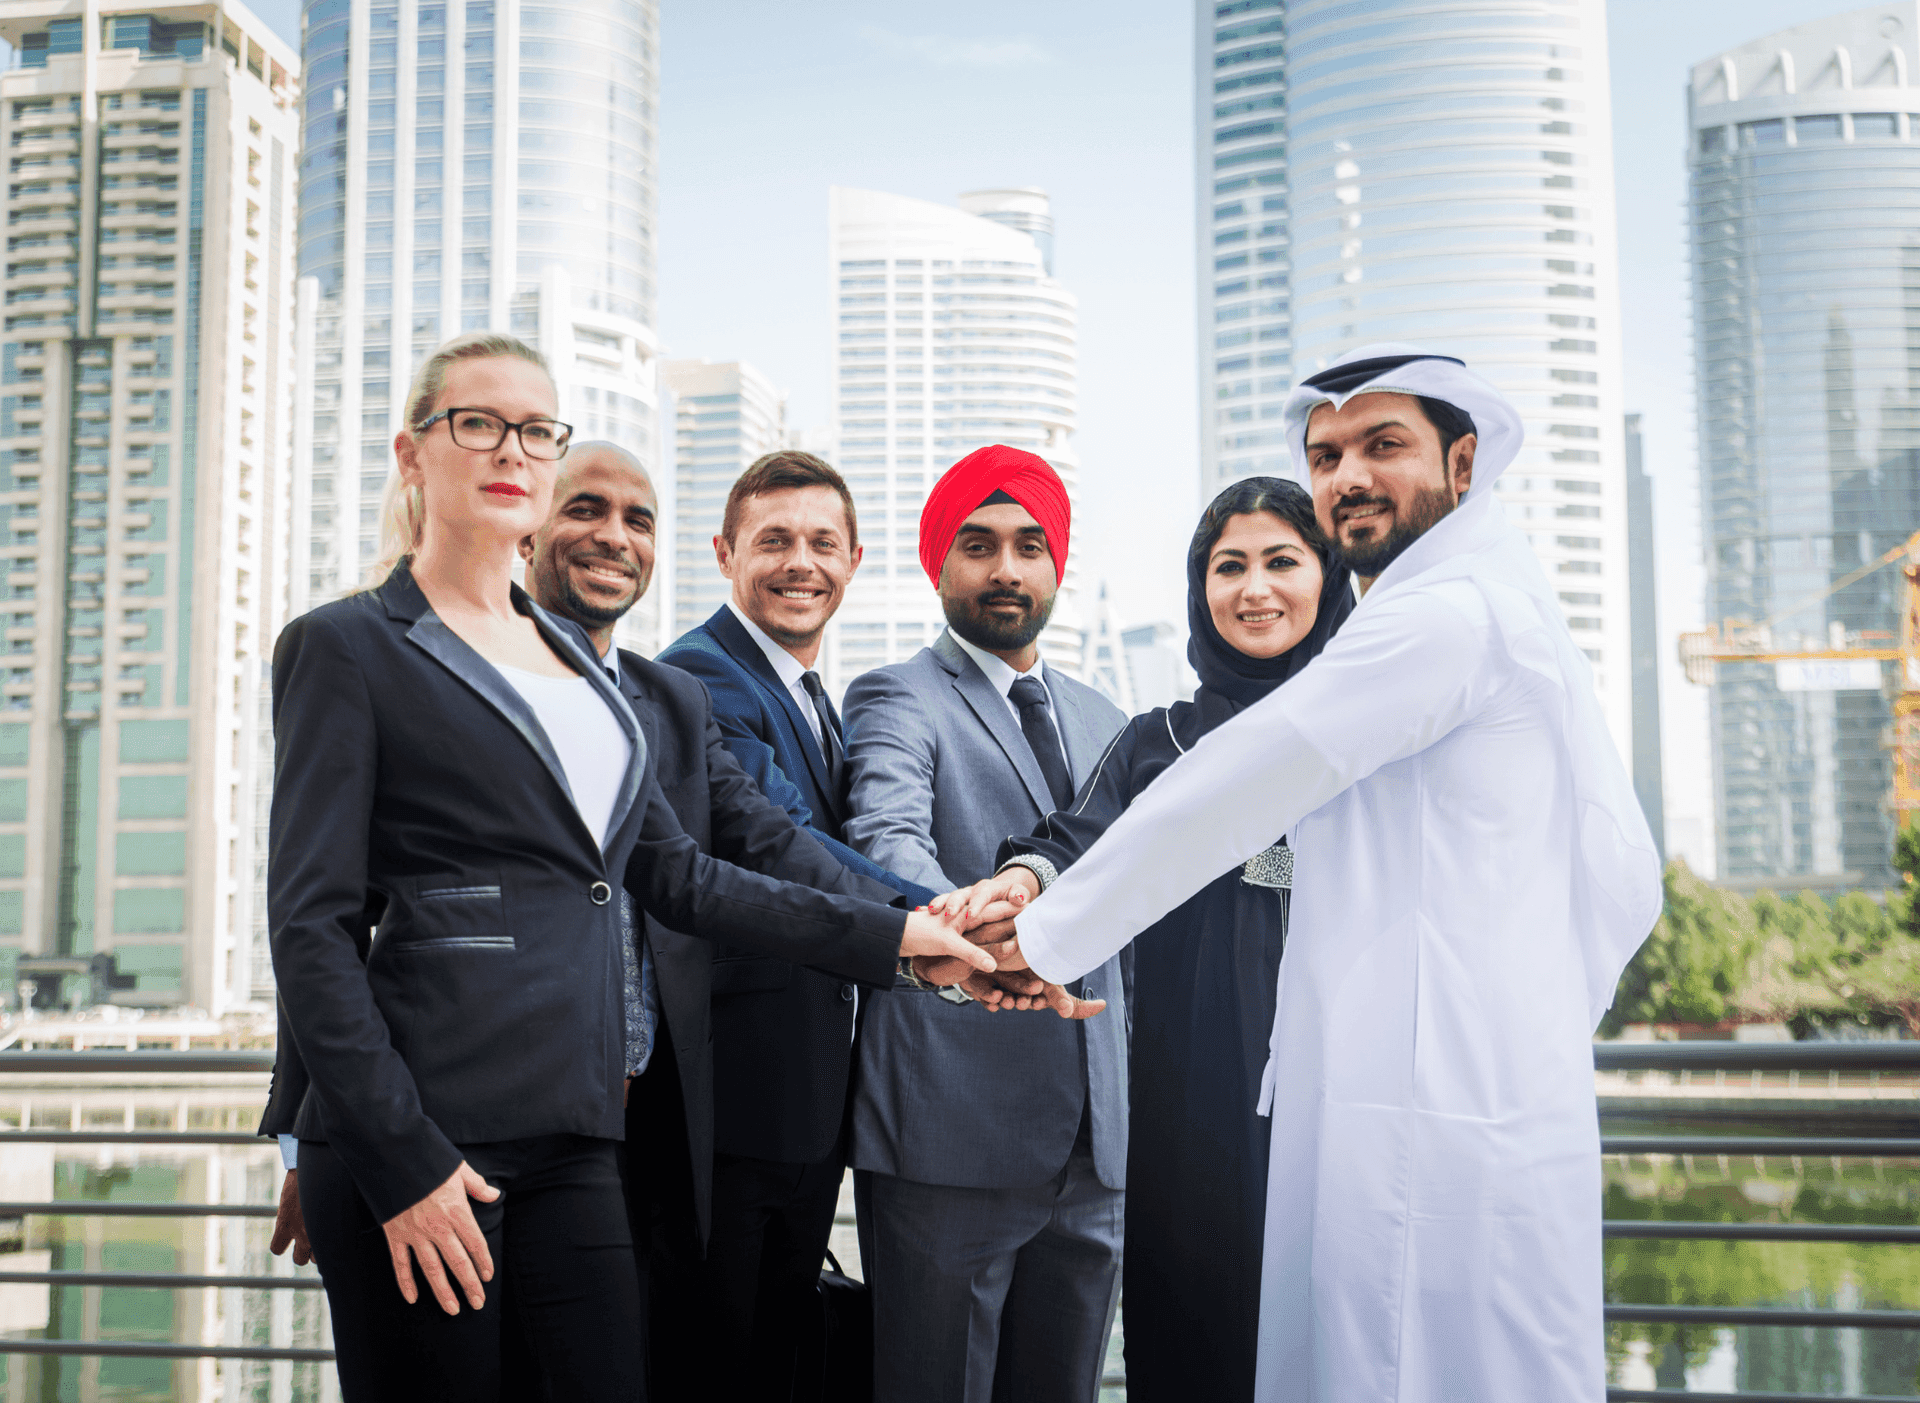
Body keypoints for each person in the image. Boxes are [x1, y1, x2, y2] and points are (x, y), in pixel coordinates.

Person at [261, 331, 996, 1402]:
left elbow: (684, 874)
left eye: (535, 429)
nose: (510, 446)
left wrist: (903, 941)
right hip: (429, 1127)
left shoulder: (587, 673)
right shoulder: (349, 645)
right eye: (478, 421)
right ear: (413, 453)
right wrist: (384, 1150)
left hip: (577, 1140)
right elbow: (313, 924)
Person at [953, 347, 1662, 1402]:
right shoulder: (1466, 607)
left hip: (1432, 1099)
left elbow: (1245, 777)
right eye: (1326, 454)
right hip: (1389, 1087)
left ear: (1462, 462)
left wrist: (1044, 940)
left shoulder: (1446, 615)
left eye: (1384, 445)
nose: (1348, 476)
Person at [989, 477, 1351, 1402]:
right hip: (1194, 1108)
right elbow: (1074, 836)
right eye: (1229, 566)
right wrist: (1023, 881)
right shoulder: (1162, 745)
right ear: (1201, 591)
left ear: (1328, 576)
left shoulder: (1373, 733)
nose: (1254, 588)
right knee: (1200, 1339)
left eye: (1282, 561)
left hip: (1355, 1088)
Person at [841, 444, 1128, 1403]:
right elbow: (889, 843)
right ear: (939, 564)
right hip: (950, 1134)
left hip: (1096, 1145)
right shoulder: (895, 697)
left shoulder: (1108, 719)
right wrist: (988, 949)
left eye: (1028, 545)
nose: (1006, 567)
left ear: (1057, 566)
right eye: (978, 544)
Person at [655, 449, 935, 1400]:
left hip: (809, 1104)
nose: (798, 562)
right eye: (773, 541)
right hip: (730, 1104)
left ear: (855, 559)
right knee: (720, 1363)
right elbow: (780, 839)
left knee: (779, 1358)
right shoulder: (698, 679)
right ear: (727, 552)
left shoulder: (817, 696)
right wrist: (927, 923)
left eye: (822, 542)